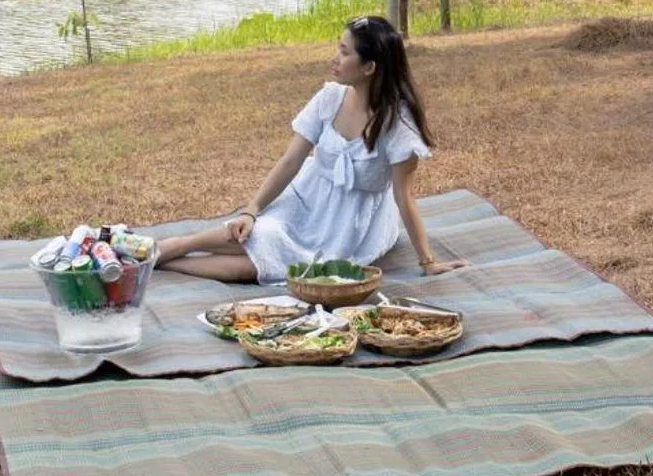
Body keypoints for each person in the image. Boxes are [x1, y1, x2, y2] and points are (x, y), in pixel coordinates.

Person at [157, 15, 466, 282]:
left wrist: (428, 262)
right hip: (307, 200)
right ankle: (174, 246)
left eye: (344, 52)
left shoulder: (399, 125)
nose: (335, 58)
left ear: (370, 66)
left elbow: (404, 197)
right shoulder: (329, 99)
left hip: (352, 226)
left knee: (257, 268)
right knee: (255, 233)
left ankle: (164, 262)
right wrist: (251, 210)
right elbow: (291, 161)